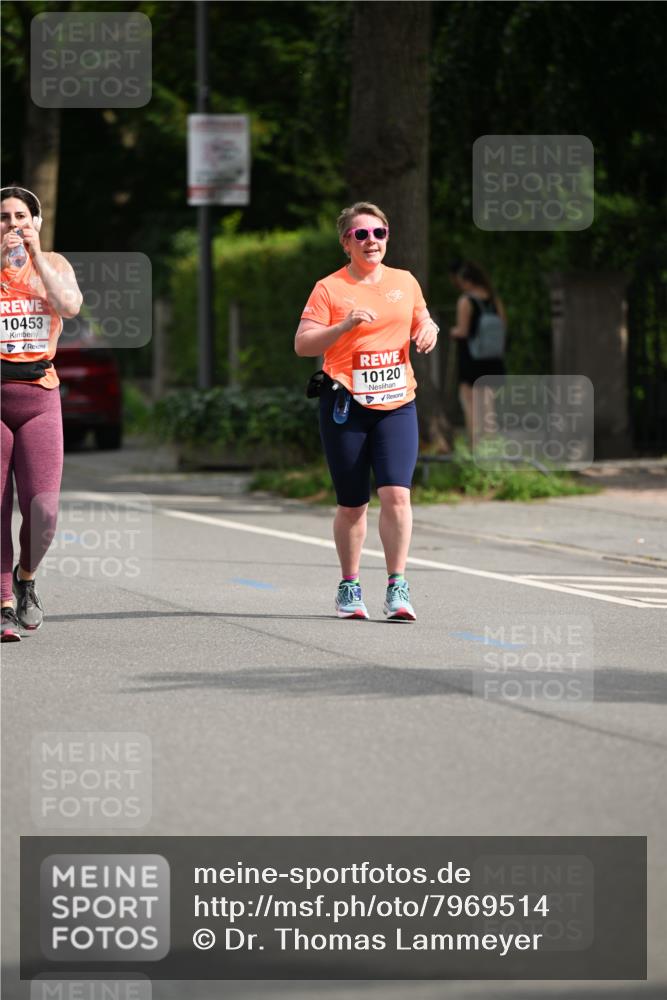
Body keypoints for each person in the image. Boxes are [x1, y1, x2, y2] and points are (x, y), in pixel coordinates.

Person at [295, 201, 438, 622]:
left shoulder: (404, 281)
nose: (371, 241)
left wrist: (428, 330)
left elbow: (421, 319)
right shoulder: (329, 288)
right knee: (353, 504)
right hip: (346, 405)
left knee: (396, 494)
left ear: (387, 237)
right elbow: (303, 345)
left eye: (378, 233)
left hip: (397, 404)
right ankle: (349, 585)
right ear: (346, 243)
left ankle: (397, 586)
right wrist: (344, 326)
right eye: (361, 235)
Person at [1, 186, 82, 641]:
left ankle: (25, 578)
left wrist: (35, 255)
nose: (13, 224)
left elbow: (69, 306)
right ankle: (3, 604)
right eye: (4, 217)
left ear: (36, 222)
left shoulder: (54, 263)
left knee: (43, 509)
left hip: (39, 393)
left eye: (21, 216)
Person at [449, 260, 507, 440]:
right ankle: (491, 446)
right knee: (489, 405)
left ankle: (475, 448)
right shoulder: (494, 300)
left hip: (472, 359)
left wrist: (453, 331)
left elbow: (463, 330)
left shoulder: (466, 301)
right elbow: (503, 325)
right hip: (493, 358)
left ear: (467, 281)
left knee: (470, 403)